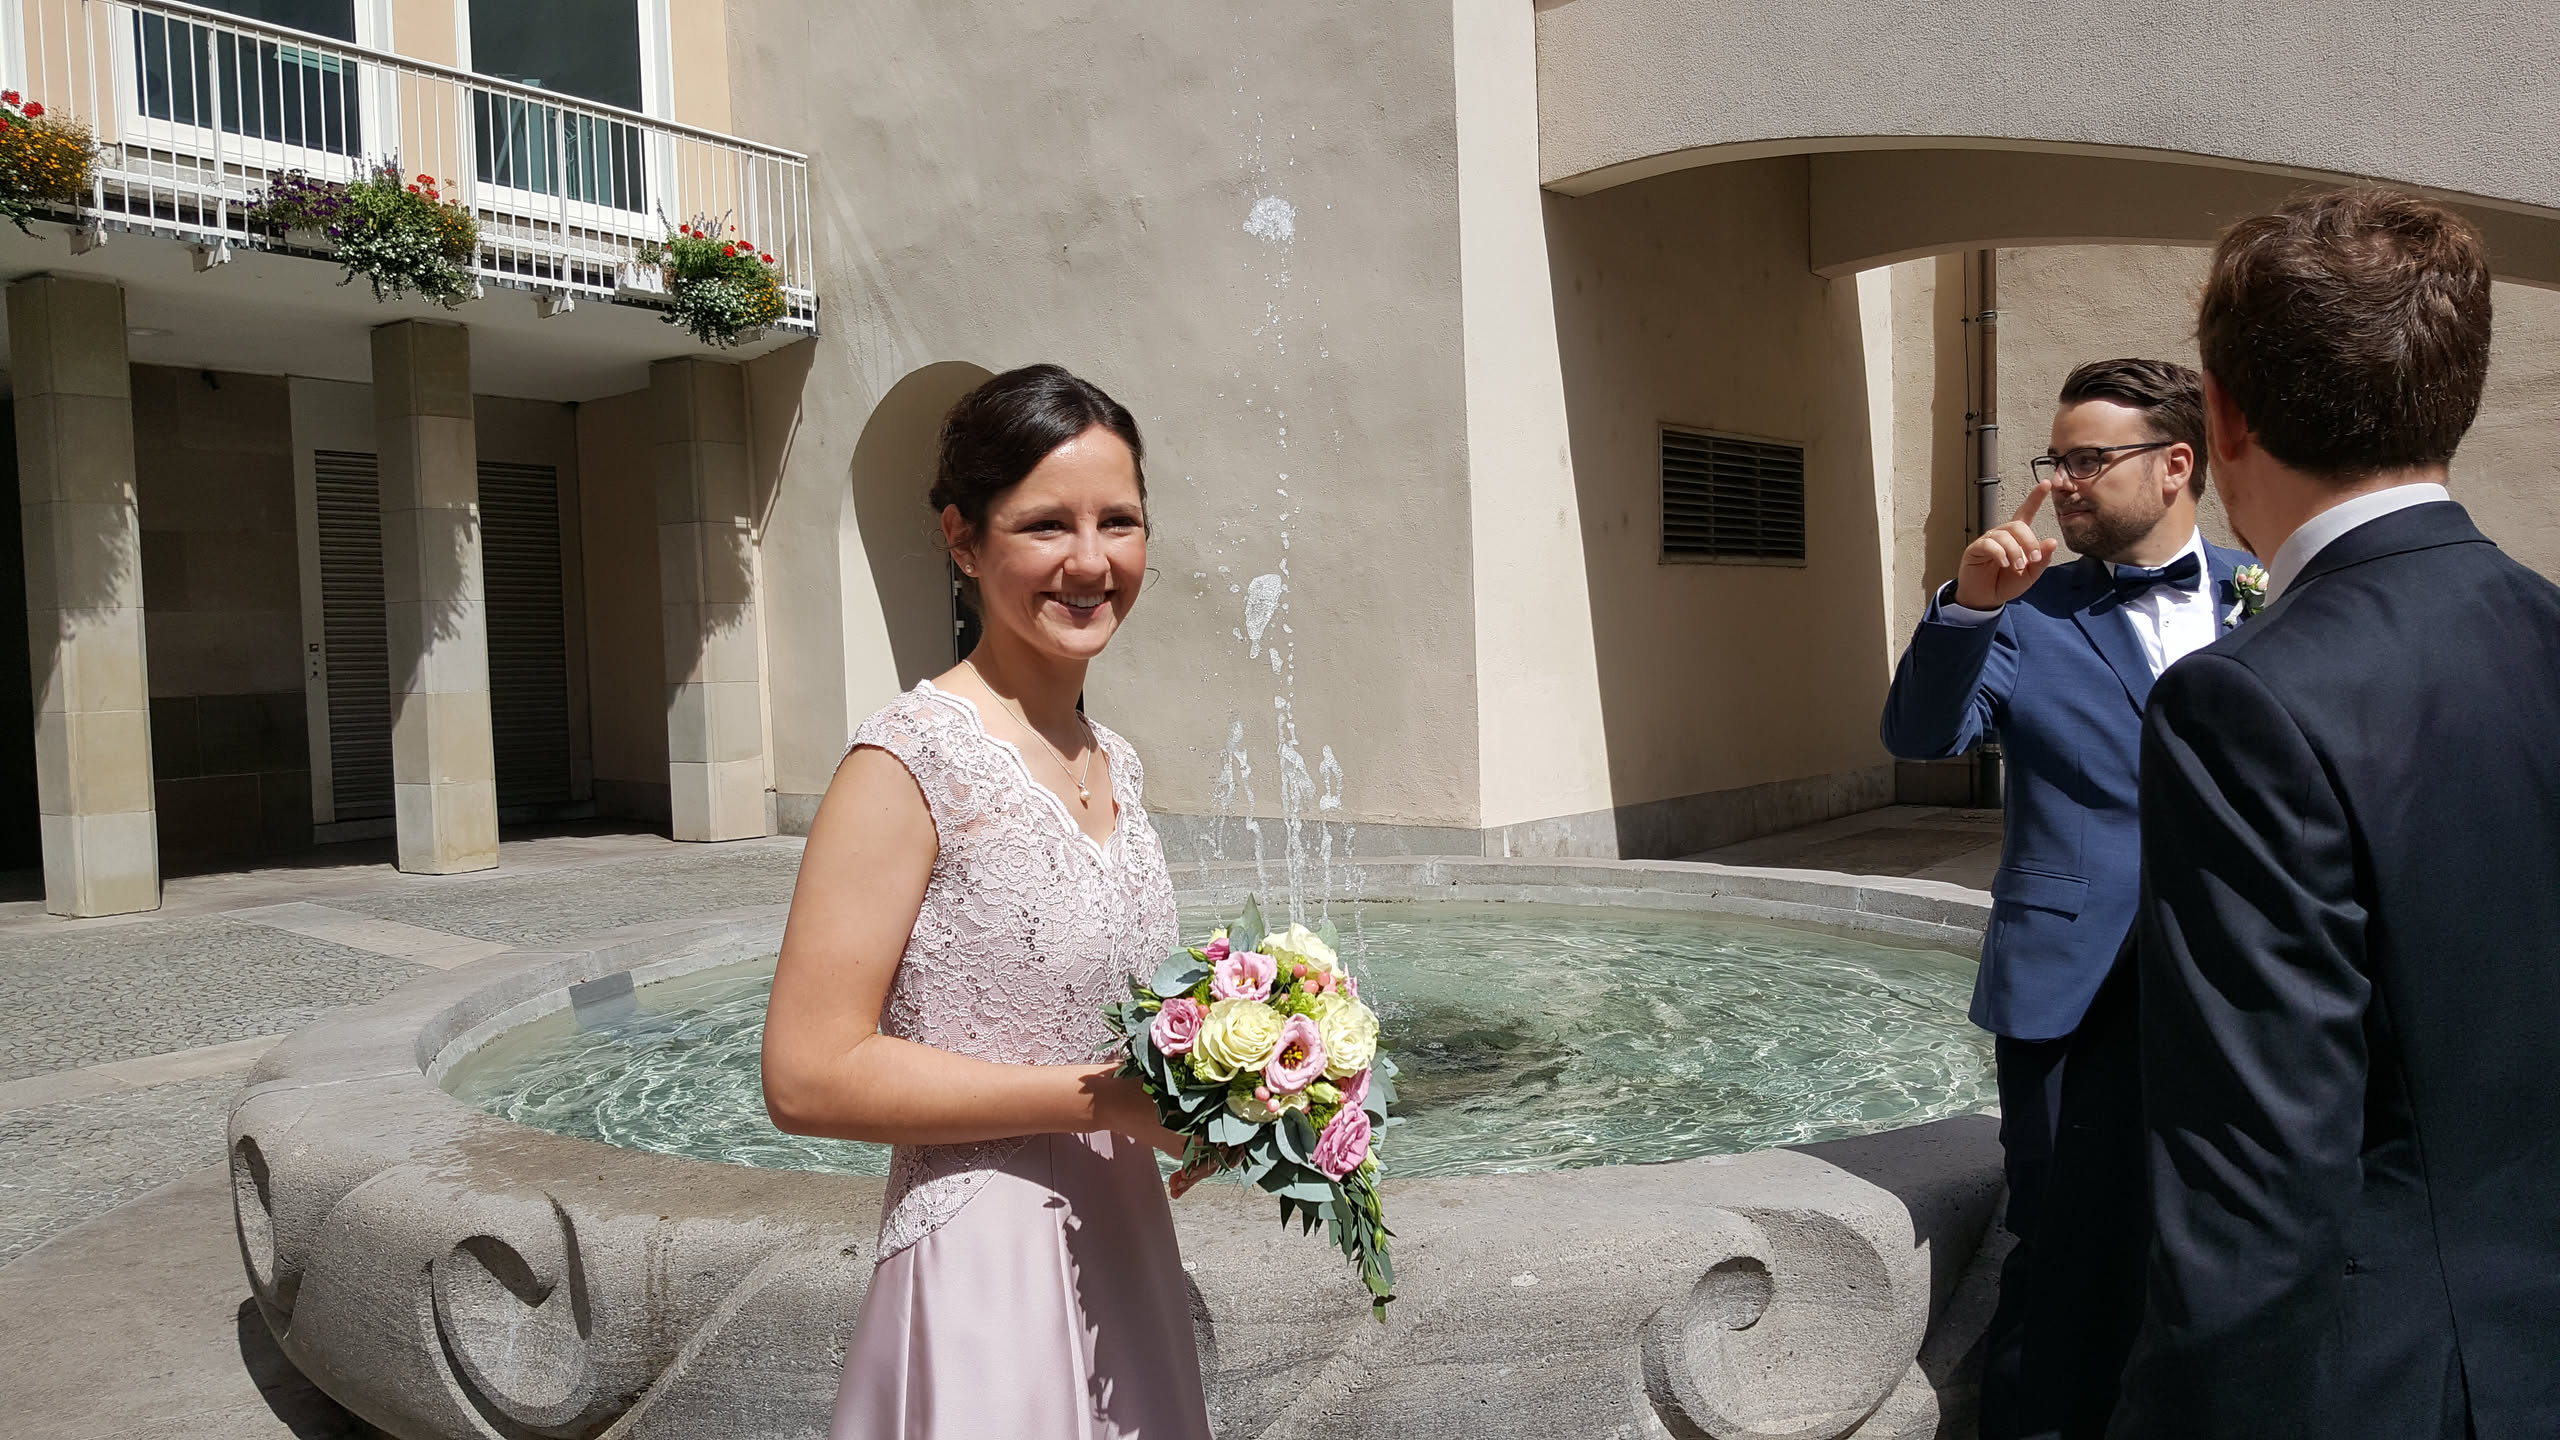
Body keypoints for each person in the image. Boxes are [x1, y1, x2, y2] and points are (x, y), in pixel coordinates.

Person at [2113, 189, 2560, 1438]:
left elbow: (2255, 1174)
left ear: (2223, 415)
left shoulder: (2241, 702)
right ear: (2456, 392)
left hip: (2395, 1381)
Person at [761, 364, 1214, 1439]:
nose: (1091, 562)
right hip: (983, 1260)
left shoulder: (1115, 760)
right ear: (963, 541)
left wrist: (1222, 1083)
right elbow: (807, 1073)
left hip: (1124, 1247)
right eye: (1046, 525)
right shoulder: (909, 761)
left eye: (1118, 521)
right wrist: (1102, 1103)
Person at [1878, 358, 2255, 1440]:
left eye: (2089, 459)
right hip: (2071, 983)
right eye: (2057, 459)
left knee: (2225, 1234)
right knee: (2056, 1243)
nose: (2061, 483)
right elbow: (1920, 737)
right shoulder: (2022, 610)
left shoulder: (2265, 590)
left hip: (2238, 980)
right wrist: (1967, 611)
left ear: (2175, 464)